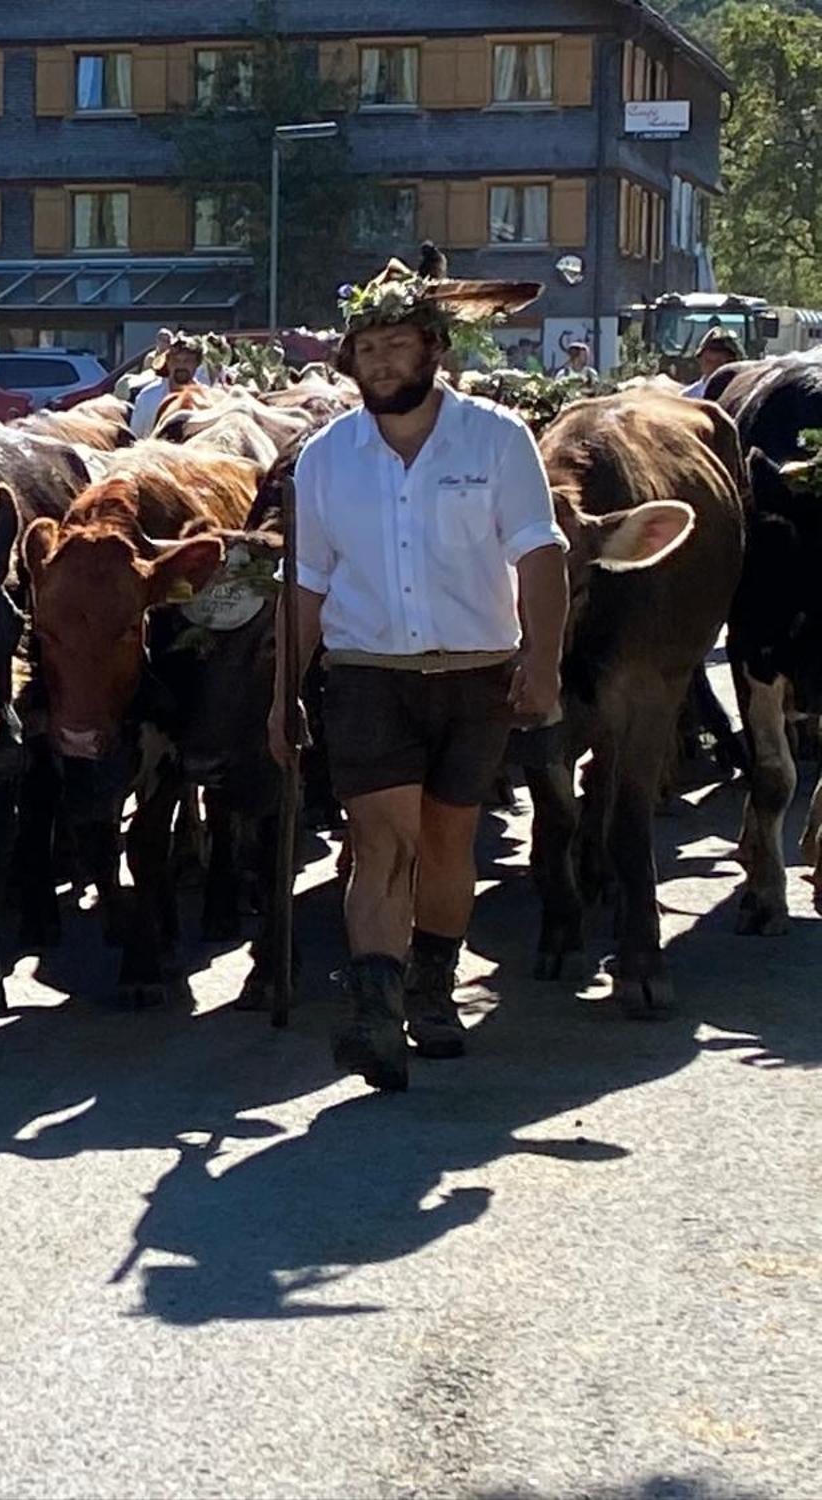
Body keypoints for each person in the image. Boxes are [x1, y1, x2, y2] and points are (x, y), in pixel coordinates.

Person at [269, 261, 569, 1091]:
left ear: (433, 348)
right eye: (368, 348)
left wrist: (541, 663)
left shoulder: (496, 438)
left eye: (397, 344)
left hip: (476, 673)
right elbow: (307, 583)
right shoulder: (329, 457)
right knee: (380, 841)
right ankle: (373, 1012)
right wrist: (283, 690)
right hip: (368, 672)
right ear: (350, 361)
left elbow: (541, 555)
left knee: (446, 841)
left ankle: (432, 987)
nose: (382, 361)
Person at [129, 335, 204, 439]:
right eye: (176, 360)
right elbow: (135, 438)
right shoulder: (147, 398)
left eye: (187, 360)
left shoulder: (207, 400)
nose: (181, 365)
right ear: (167, 362)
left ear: (197, 363)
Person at [681, 326, 742, 398]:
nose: (714, 356)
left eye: (721, 362)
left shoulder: (742, 394)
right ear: (700, 358)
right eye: (709, 361)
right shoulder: (688, 396)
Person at [115, 330, 174, 402]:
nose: (163, 343)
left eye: (167, 341)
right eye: (161, 340)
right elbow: (147, 375)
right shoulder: (151, 357)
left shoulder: (174, 357)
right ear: (157, 341)